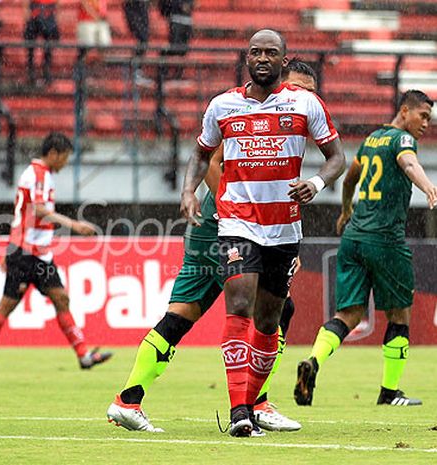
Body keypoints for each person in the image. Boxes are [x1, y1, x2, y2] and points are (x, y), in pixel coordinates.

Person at [106, 58, 318, 434]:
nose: (305, 98)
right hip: (228, 222)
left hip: (215, 223)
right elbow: (211, 162)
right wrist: (237, 216)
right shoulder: (257, 111)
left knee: (182, 315)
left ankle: (128, 399)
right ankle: (256, 404)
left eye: (311, 94)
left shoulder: (290, 119)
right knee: (274, 309)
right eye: (299, 89)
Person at [180, 29, 346, 438]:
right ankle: (238, 411)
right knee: (238, 304)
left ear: (284, 61)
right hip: (237, 221)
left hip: (284, 227)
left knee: (270, 320)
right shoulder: (222, 105)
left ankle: (251, 405)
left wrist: (318, 183)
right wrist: (188, 190)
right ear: (247, 57)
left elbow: (338, 157)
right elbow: (201, 154)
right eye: (255, 52)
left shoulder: (305, 103)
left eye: (271, 52)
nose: (262, 58)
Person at [295, 90, 436, 408]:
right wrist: (427, 186)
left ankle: (313, 362)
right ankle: (389, 392)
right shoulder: (402, 140)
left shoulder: (372, 139)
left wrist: (345, 211)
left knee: (348, 313)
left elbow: (349, 179)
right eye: (422, 116)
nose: (426, 123)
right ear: (404, 111)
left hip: (354, 238)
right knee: (400, 314)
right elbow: (409, 163)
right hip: (385, 240)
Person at [0, 133, 113, 371]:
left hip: (35, 253)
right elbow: (37, 209)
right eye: (64, 157)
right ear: (53, 153)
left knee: (61, 298)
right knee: (8, 304)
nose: (65, 163)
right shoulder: (38, 174)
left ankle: (84, 355)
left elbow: (24, 213)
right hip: (26, 253)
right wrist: (73, 225)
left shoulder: (37, 174)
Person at [23, 0, 59, 85]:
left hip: (47, 9)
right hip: (37, 9)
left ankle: (44, 72)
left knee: (47, 47)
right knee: (31, 47)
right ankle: (33, 73)